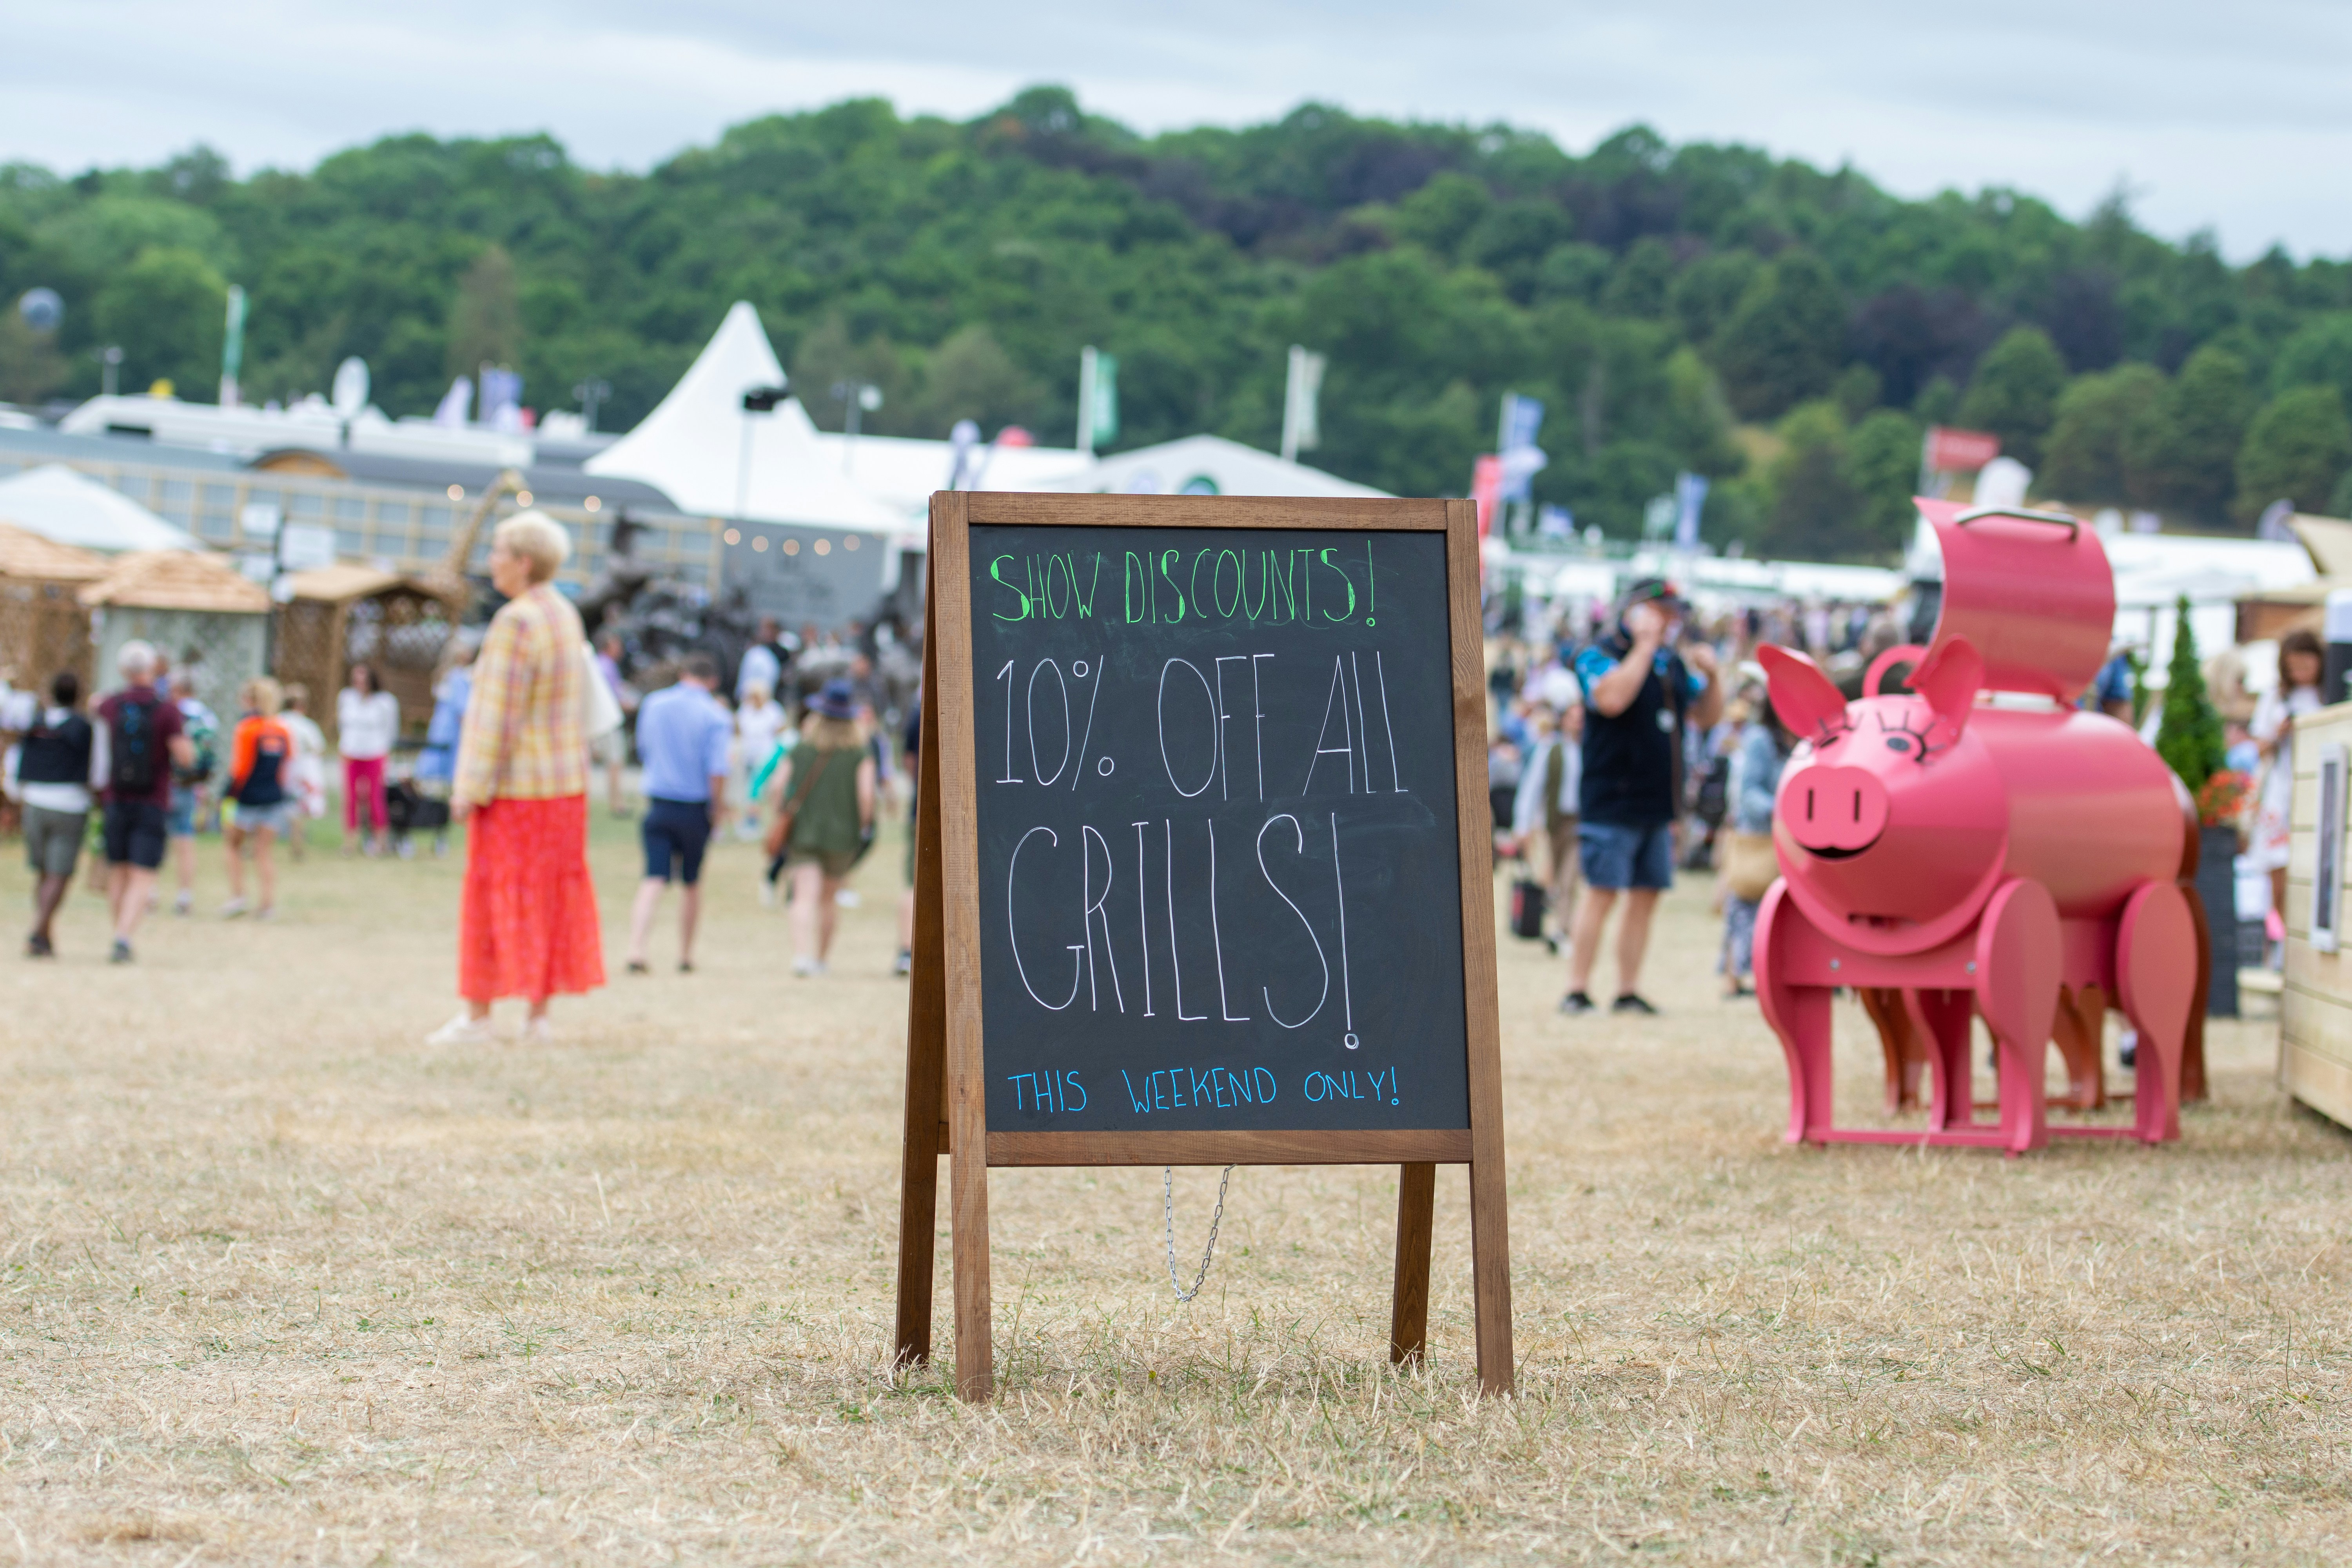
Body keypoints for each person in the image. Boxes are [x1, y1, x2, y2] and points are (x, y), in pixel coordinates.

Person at [430, 513, 605, 1044]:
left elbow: (495, 716)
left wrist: (469, 787)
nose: (493, 561)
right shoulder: (565, 614)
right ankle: (537, 1016)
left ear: (523, 562)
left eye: (500, 551)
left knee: (493, 896)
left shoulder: (515, 621)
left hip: (516, 788)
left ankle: (478, 1017)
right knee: (550, 897)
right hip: (565, 782)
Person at [1560, 578, 1721, 1015]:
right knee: (1602, 892)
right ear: (1634, 610)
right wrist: (1644, 646)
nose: (1671, 621)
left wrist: (1714, 676)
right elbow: (1611, 700)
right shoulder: (1598, 654)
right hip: (1612, 798)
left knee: (1646, 896)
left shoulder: (1671, 663)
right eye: (1661, 611)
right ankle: (1577, 989)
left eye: (1674, 613)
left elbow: (1706, 716)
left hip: (1658, 802)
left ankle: (1627, 990)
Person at [623, 653, 731, 975]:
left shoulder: (654, 704)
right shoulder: (716, 715)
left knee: (653, 878)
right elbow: (717, 769)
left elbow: (644, 748)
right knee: (691, 882)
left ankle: (636, 948)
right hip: (694, 807)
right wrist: (718, 807)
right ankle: (685, 954)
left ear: (684, 674)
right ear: (713, 681)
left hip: (658, 802)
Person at [95, 641, 196, 964]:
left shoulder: (109, 706)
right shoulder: (167, 710)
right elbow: (185, 757)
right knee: (143, 874)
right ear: (153, 668)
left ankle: (119, 933)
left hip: (115, 799)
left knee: (118, 871)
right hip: (152, 800)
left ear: (123, 670)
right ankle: (123, 938)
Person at [770, 678, 875, 976]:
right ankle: (821, 959)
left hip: (804, 833)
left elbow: (777, 786)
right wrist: (863, 826)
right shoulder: (860, 754)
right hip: (843, 836)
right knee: (828, 899)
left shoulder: (801, 749)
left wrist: (781, 811)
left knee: (803, 896)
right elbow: (866, 796)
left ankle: (801, 957)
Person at [7, 670, 97, 958]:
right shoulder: (83, 727)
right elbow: (95, 767)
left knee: (45, 871)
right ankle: (39, 931)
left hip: (35, 802)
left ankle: (42, 934)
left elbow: (18, 758)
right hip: (70, 805)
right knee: (58, 873)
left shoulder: (36, 724)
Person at [2252, 627, 2327, 946]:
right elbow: (2259, 746)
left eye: (2306, 665)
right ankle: (2282, 940)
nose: (2300, 673)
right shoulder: (2276, 697)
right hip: (2283, 792)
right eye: (2294, 667)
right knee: (2279, 868)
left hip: (2321, 790)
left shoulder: (2330, 694)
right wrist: (2278, 733)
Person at [1719, 699, 1792, 998]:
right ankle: (1738, 977)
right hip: (1761, 838)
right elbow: (1748, 792)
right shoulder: (1761, 739)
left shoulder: (1807, 740)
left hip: (1796, 843)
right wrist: (1786, 812)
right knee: (1747, 906)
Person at [1512, 699, 1583, 953]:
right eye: (1573, 718)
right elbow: (1532, 787)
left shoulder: (1588, 749)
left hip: (1579, 822)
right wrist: (1522, 825)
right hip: (1553, 823)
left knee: (1569, 878)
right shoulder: (1550, 749)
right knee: (1549, 877)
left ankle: (1563, 930)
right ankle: (1546, 923)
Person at [221, 677, 296, 920]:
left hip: (247, 799)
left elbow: (241, 768)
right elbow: (288, 765)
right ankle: (267, 905)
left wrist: (226, 796)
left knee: (233, 846)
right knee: (263, 852)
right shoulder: (282, 729)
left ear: (249, 700)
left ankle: (238, 897)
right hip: (274, 798)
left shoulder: (247, 728)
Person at [164, 677, 218, 916]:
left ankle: (149, 895)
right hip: (192, 785)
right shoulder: (208, 716)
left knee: (157, 838)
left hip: (168, 782)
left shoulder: (171, 713)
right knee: (186, 840)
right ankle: (185, 896)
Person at [338, 662, 399, 856]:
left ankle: (380, 841)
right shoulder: (347, 698)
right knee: (351, 798)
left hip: (375, 752)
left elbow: (391, 729)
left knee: (375, 797)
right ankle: (350, 842)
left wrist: (386, 750)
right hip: (351, 752)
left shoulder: (385, 702)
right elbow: (343, 725)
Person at [278, 682, 328, 861]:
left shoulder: (277, 722)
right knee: (299, 810)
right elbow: (319, 749)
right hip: (301, 772)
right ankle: (297, 847)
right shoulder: (307, 726)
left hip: (281, 770)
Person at [735, 681, 789, 841]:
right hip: (750, 756)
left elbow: (781, 733)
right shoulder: (745, 711)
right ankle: (756, 821)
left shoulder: (773, 711)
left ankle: (754, 822)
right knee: (752, 789)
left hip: (768, 755)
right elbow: (740, 732)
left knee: (756, 787)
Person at [592, 630, 633, 817]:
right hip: (609, 721)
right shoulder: (606, 666)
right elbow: (612, 697)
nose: (620, 648)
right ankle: (617, 805)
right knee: (615, 762)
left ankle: (617, 802)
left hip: (602, 720)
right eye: (616, 644)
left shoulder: (600, 663)